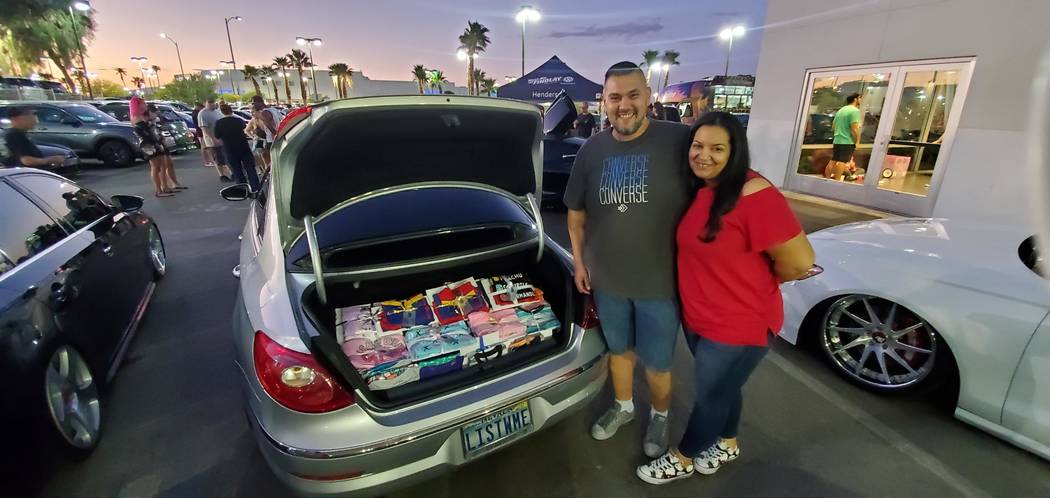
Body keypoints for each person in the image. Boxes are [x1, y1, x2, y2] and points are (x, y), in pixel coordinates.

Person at [636, 112, 815, 484]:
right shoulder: (704, 190)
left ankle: (683, 458)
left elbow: (799, 262)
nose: (704, 155)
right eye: (698, 146)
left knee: (712, 395)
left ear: (736, 152)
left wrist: (757, 285)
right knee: (726, 388)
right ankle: (728, 442)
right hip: (701, 318)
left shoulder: (754, 193)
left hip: (740, 322)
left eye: (718, 148)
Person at [563, 61, 692, 459]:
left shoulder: (679, 140)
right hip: (609, 281)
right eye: (615, 97)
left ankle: (660, 414)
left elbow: (722, 173)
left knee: (657, 363)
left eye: (633, 94)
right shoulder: (592, 149)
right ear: (604, 102)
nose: (624, 105)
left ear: (648, 96)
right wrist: (580, 264)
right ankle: (623, 407)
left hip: (660, 283)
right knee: (619, 352)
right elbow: (576, 214)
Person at [130, 98, 178, 197]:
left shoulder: (143, 115)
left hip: (154, 141)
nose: (145, 105)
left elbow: (153, 127)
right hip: (148, 144)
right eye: (143, 104)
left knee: (161, 165)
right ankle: (159, 190)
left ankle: (165, 187)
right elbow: (143, 132)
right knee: (156, 167)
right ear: (138, 105)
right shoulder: (136, 117)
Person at [0, 106, 68, 168]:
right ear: (17, 118)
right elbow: (26, 161)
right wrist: (50, 160)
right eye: (31, 115)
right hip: (26, 176)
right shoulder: (15, 135)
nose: (35, 120)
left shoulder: (9, 133)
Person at [213, 103, 260, 191]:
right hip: (243, 146)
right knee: (250, 169)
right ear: (231, 111)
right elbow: (244, 129)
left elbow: (217, 135)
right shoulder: (238, 121)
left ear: (221, 112)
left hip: (229, 148)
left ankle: (242, 188)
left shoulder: (219, 123)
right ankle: (255, 187)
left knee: (237, 170)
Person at [147, 103, 186, 192]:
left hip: (162, 141)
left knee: (169, 163)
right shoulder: (147, 122)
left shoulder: (157, 119)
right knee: (159, 166)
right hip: (154, 144)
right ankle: (163, 187)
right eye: (153, 111)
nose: (155, 113)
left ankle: (174, 183)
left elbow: (163, 127)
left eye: (156, 111)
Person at [826, 93, 863, 181]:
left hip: (837, 139)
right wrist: (857, 141)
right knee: (842, 161)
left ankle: (826, 179)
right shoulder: (855, 111)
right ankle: (837, 181)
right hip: (847, 141)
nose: (861, 101)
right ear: (855, 99)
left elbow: (833, 127)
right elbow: (854, 128)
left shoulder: (841, 110)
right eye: (860, 98)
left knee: (833, 160)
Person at [198, 99, 234, 182]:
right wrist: (213, 138)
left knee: (226, 156)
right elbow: (204, 128)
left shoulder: (217, 112)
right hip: (212, 140)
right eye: (210, 103)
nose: (212, 105)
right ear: (205, 103)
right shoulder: (202, 113)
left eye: (213, 103)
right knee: (217, 158)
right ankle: (222, 175)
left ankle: (232, 173)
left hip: (222, 138)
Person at [191, 101, 214, 167]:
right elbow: (199, 124)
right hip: (200, 132)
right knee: (204, 147)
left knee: (205, 147)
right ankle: (207, 161)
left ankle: (209, 160)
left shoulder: (197, 113)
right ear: (197, 106)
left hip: (201, 131)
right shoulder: (196, 114)